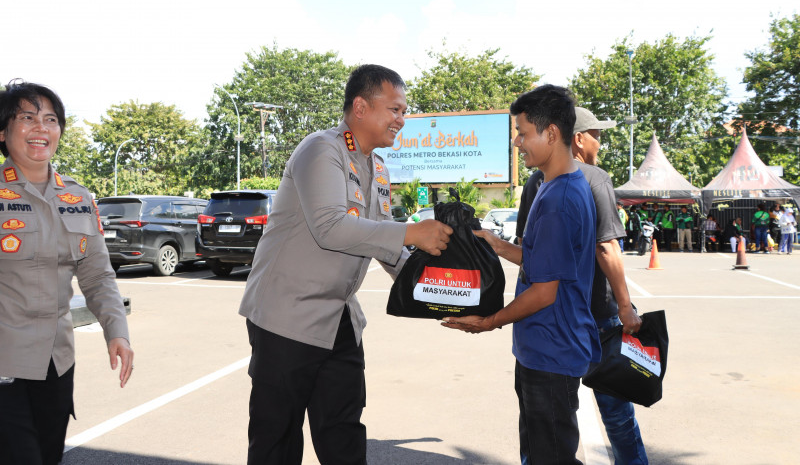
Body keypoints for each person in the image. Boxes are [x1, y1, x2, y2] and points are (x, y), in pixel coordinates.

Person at [238, 65, 452, 465]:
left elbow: (387, 246)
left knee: (344, 436)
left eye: (404, 112)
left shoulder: (378, 167)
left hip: (339, 319)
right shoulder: (322, 150)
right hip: (286, 317)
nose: (401, 120)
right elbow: (331, 228)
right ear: (361, 107)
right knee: (276, 440)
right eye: (394, 109)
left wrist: (442, 296)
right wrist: (411, 232)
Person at [442, 86, 600, 465]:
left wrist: (489, 322)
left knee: (550, 457)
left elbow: (545, 291)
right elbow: (545, 262)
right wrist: (496, 244)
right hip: (543, 350)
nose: (517, 143)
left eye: (522, 133)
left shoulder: (559, 200)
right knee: (539, 453)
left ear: (551, 134)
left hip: (552, 353)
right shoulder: (556, 185)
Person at [0, 80, 133, 465]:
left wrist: (117, 331)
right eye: (27, 118)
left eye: (50, 119)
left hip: (57, 362)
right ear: (3, 132)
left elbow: (97, 274)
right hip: (5, 360)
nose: (41, 128)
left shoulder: (77, 197)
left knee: (47, 456)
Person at [508, 105, 648, 464]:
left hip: (552, 321)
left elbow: (527, 249)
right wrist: (625, 307)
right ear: (580, 138)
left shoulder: (537, 181)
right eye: (597, 136)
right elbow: (606, 248)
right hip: (597, 316)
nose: (600, 143)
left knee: (544, 422)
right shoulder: (595, 178)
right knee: (617, 414)